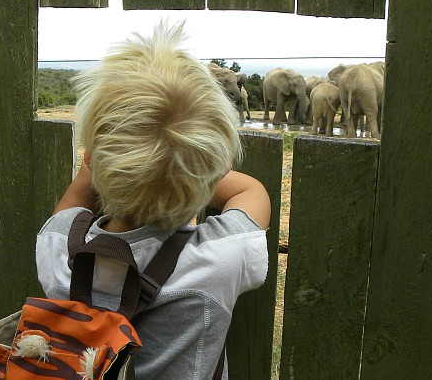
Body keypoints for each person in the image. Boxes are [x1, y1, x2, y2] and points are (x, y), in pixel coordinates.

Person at [36, 21, 271, 379]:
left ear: (93, 161)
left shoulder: (59, 249)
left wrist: (100, 161)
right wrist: (204, 175)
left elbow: (71, 205)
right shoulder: (218, 259)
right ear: (219, 169)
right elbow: (251, 191)